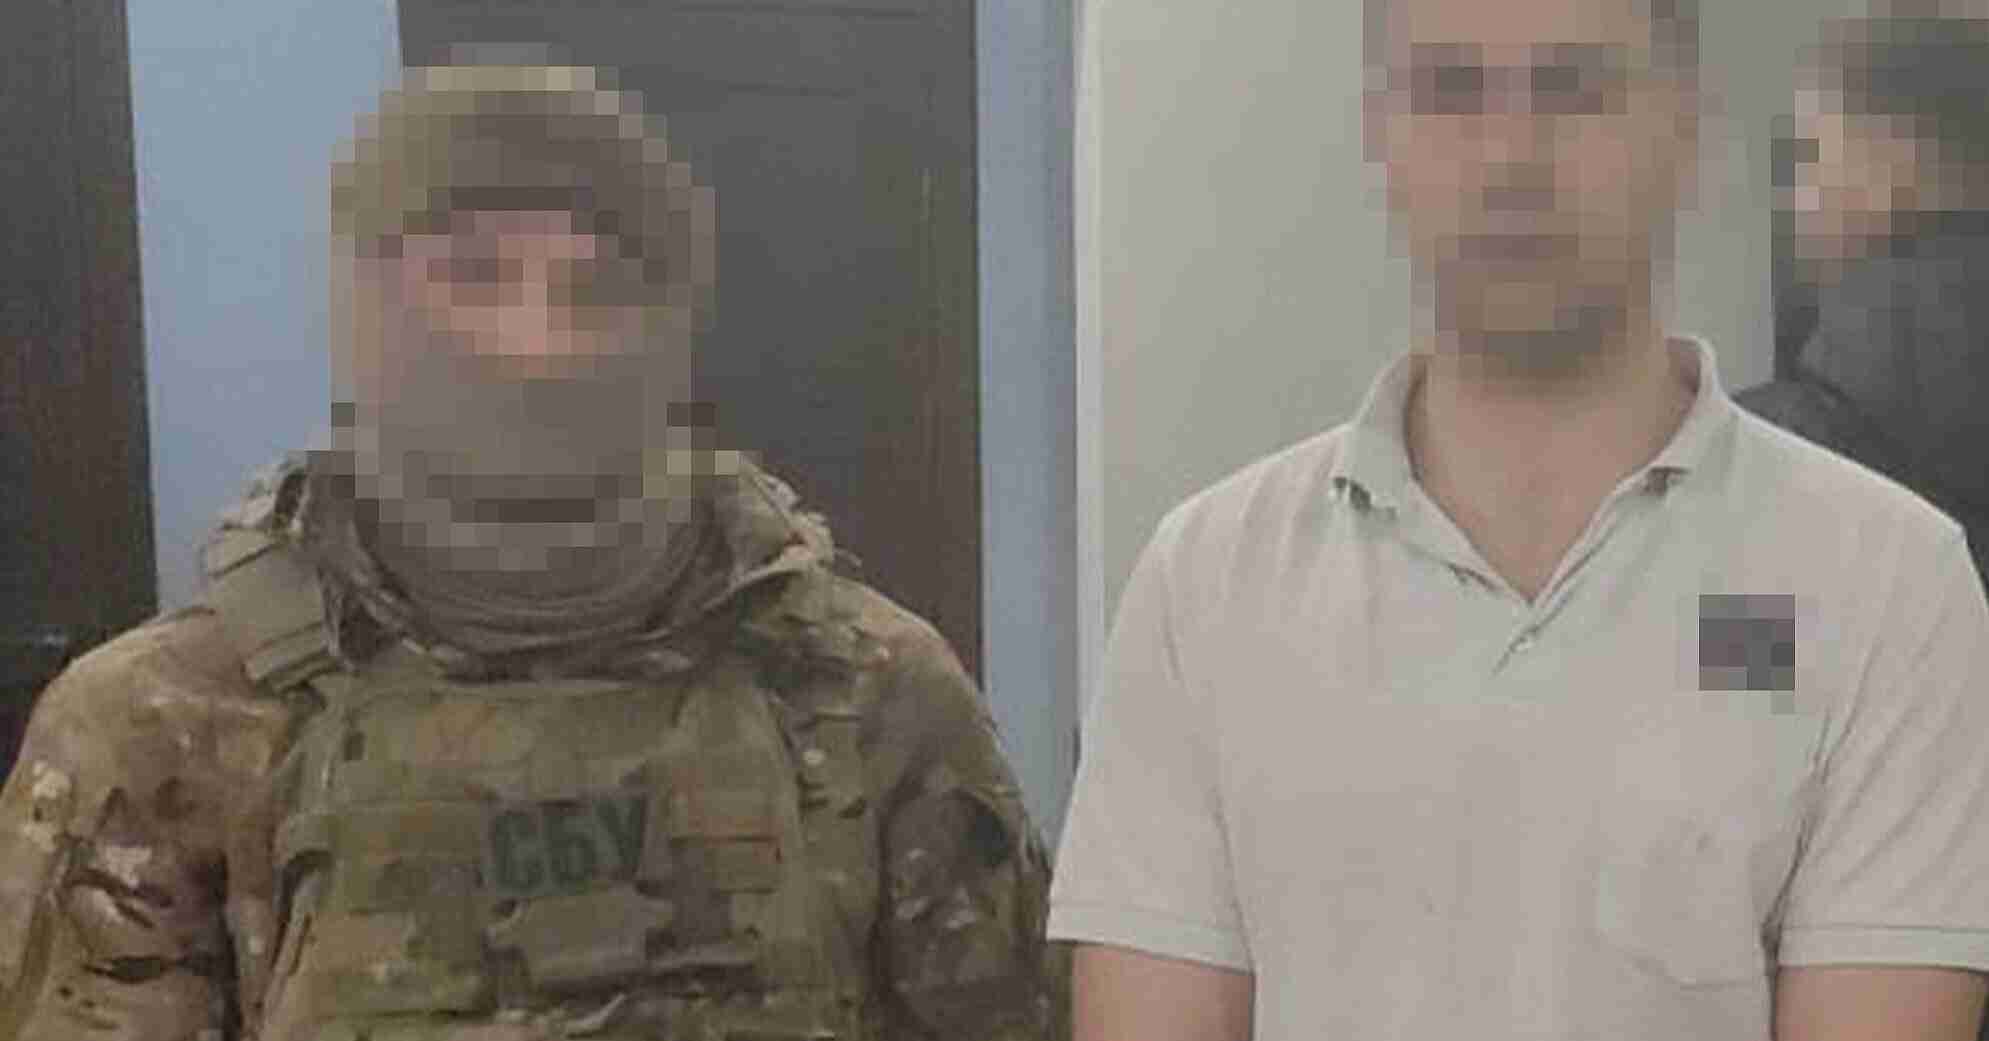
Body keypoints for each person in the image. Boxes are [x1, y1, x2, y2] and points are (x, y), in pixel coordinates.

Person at [0, 55, 1068, 1041]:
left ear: (672, 331)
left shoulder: (874, 693)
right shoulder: (158, 729)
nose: (536, 345)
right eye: (472, 275)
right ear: (364, 315)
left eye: (595, 290)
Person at [1048, 0, 1989, 1038]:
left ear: (1684, 128)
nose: (1510, 159)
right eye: (1451, 89)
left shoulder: (1887, 586)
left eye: (1573, 87)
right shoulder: (1206, 587)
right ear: (1381, 134)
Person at [1736, 7, 1989, 586]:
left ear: (1890, 168)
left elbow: (1737, 649)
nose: (1792, 203)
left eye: (1806, 159)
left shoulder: (1759, 461)